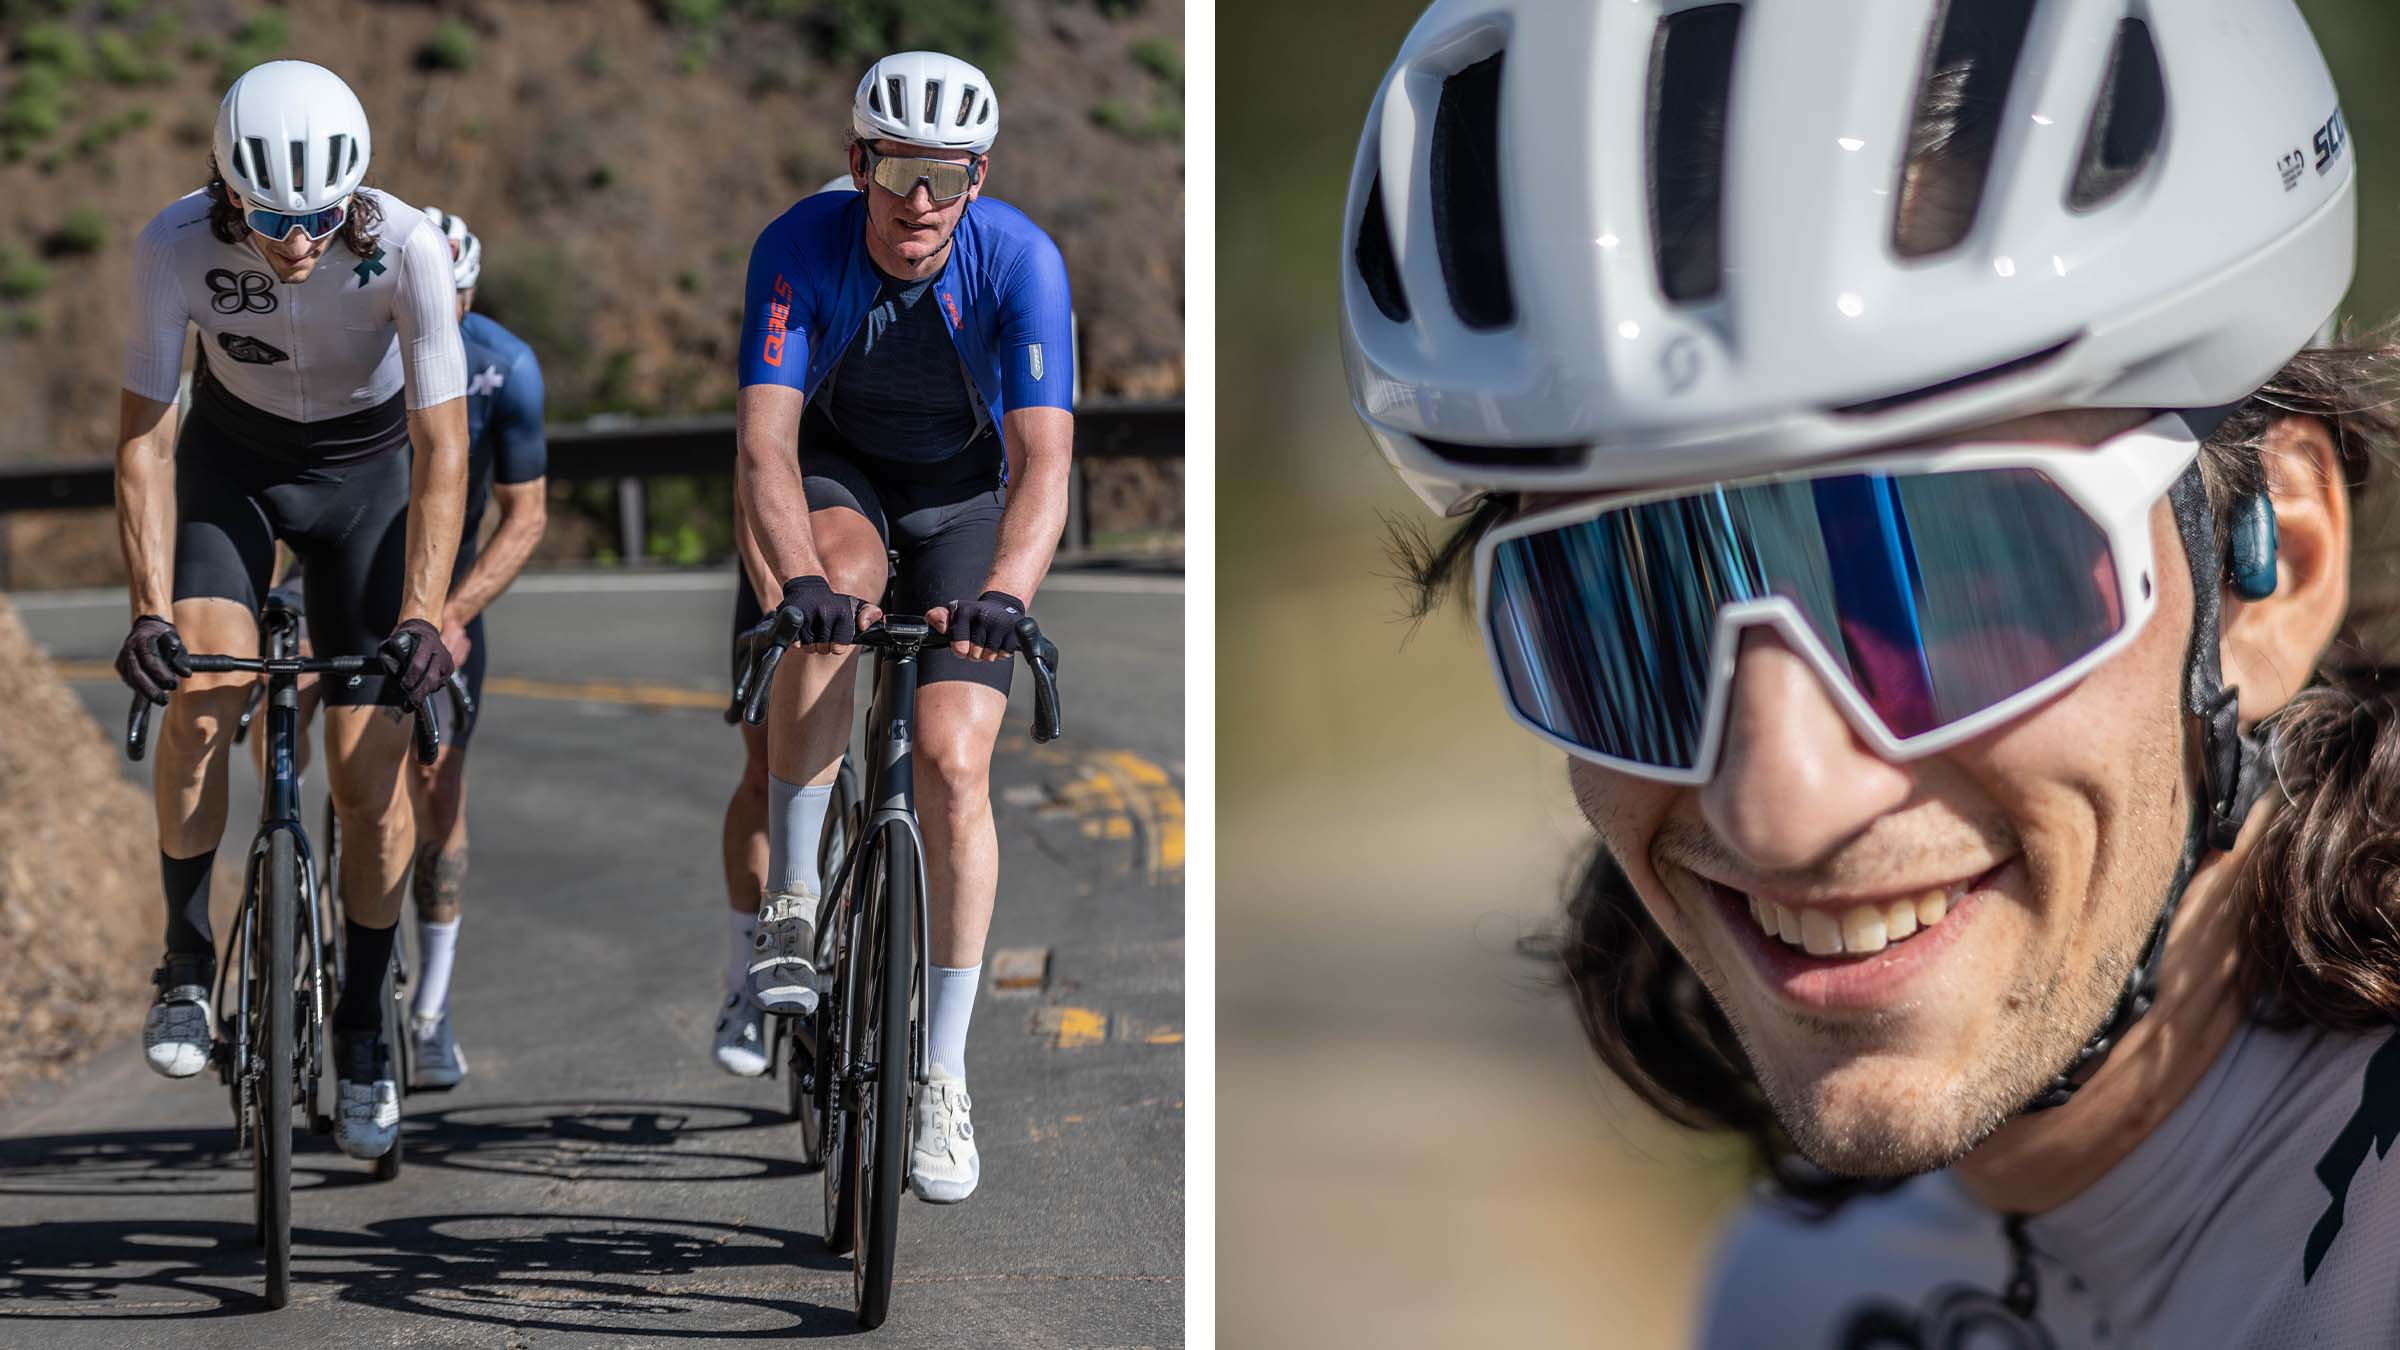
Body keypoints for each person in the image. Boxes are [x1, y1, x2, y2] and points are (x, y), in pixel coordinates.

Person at [1344, 2, 2400, 1343]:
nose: (1781, 803)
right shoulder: (1791, 1284)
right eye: (1635, 612)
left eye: (1949, 578)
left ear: (2275, 570)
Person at [727, 48, 1075, 1205]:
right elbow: (769, 443)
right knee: (831, 598)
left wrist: (1009, 595)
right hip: (839, 478)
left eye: (944, 174)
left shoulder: (1020, 260)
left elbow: (1044, 461)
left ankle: (941, 1075)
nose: (917, 202)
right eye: (894, 171)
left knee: (952, 762)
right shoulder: (797, 246)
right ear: (857, 165)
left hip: (965, 498)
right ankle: (789, 900)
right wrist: (793, 581)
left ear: (977, 176)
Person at [114, 60, 468, 1162]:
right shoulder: (176, 244)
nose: (299, 240)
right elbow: (144, 437)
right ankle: (182, 957)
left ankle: (362, 1021)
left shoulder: (403, 246)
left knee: (369, 779)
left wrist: (422, 613)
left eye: (319, 215)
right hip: (238, 467)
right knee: (206, 688)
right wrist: (145, 609)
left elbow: (444, 442)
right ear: (228, 192)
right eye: (271, 216)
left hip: (370, 485)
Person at [399, 205, 549, 1089]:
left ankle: (431, 1003)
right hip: (344, 574)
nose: (435, 308)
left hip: (446, 589)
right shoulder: (364, 345)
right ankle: (293, 907)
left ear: (469, 290)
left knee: (436, 778)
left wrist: (455, 609)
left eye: (450, 293)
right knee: (283, 718)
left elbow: (525, 515)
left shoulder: (505, 366)